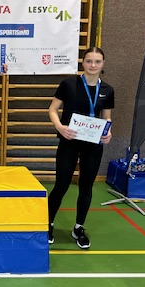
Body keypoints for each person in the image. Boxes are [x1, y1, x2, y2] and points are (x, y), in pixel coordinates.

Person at [47, 47, 114, 248]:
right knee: (61, 185)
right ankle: (48, 224)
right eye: (89, 61)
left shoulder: (107, 90)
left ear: (103, 64)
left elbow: (107, 117)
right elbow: (52, 109)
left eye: (97, 61)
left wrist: (108, 132)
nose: (93, 65)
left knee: (86, 187)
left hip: (93, 144)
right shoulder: (69, 84)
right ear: (82, 63)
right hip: (69, 141)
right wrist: (60, 127)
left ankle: (78, 228)